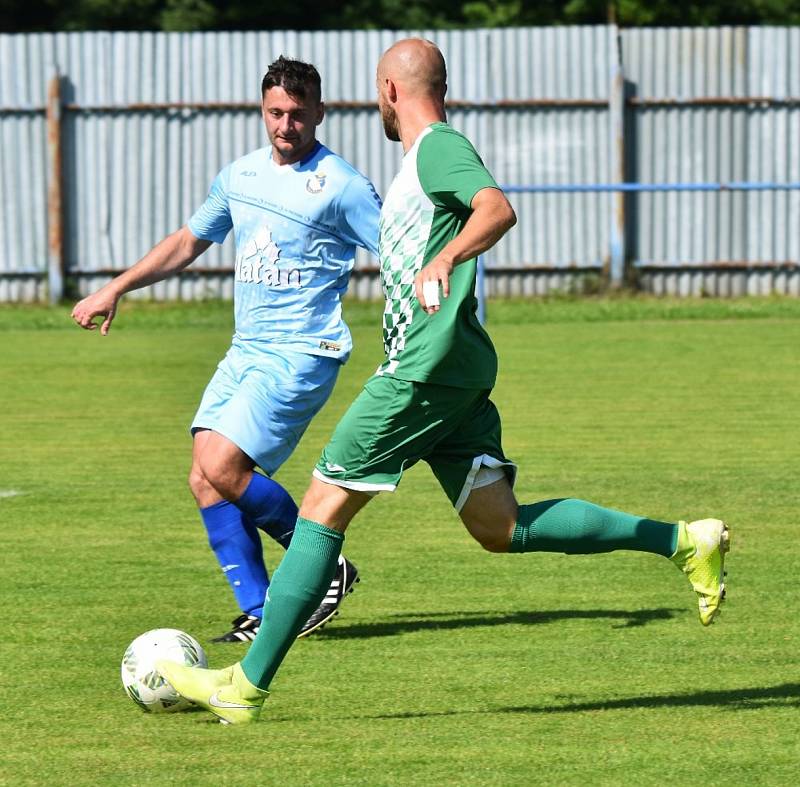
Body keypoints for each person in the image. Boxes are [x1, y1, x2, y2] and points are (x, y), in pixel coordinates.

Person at [155, 38, 730, 724]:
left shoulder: (435, 149)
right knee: (500, 525)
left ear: (390, 92)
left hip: (420, 371)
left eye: (379, 92)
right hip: (449, 370)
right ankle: (684, 540)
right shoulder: (414, 164)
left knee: (320, 506)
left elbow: (496, 207)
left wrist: (448, 257)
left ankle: (244, 685)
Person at [72, 56, 381, 642]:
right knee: (203, 477)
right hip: (247, 349)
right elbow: (189, 240)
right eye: (274, 113)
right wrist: (116, 287)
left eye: (297, 114)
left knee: (223, 465)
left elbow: (397, 252)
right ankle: (264, 612)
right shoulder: (239, 176)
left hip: (302, 350)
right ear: (261, 111)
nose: (285, 125)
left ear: (319, 112)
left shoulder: (342, 185)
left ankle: (323, 563)